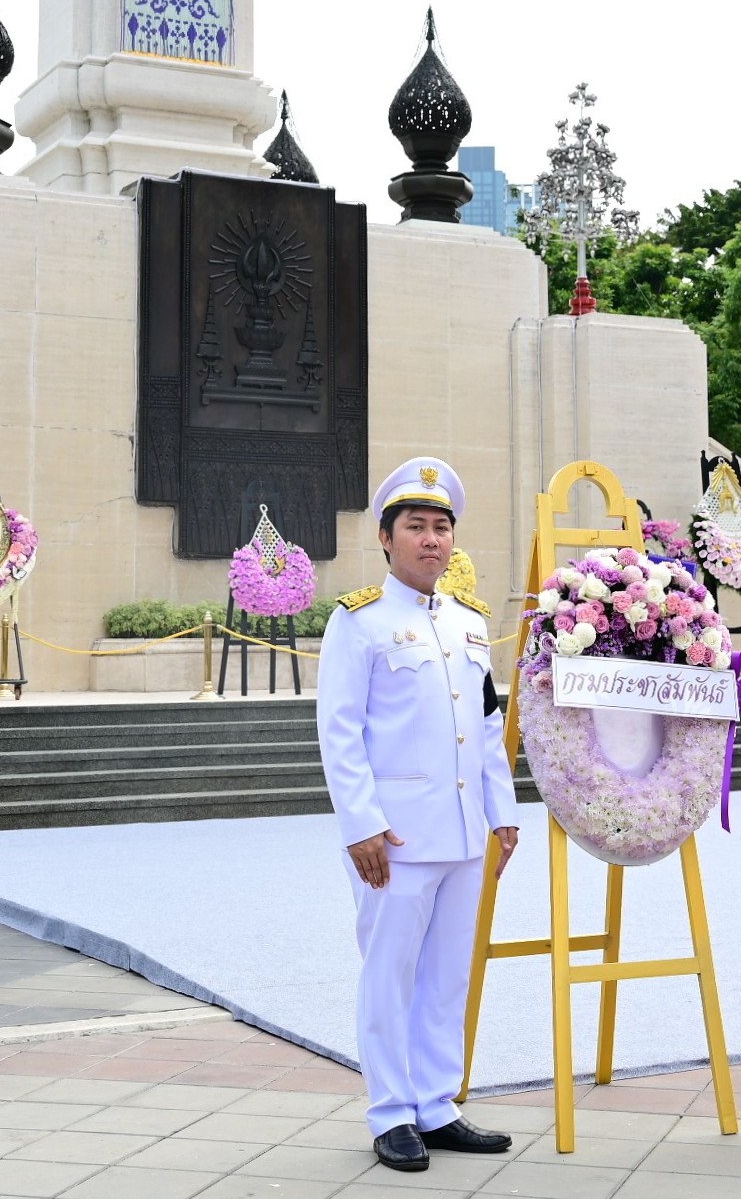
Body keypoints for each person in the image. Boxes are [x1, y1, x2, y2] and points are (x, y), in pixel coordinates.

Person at [316, 457, 522, 1173]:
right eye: (416, 527)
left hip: (465, 831)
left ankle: (437, 1104)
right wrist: (360, 825)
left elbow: (488, 728)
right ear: (385, 537)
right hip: (396, 835)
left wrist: (503, 812)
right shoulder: (360, 621)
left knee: (447, 975)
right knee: (389, 972)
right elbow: (339, 731)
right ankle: (390, 1111)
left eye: (442, 527)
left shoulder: (468, 623)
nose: (431, 540)